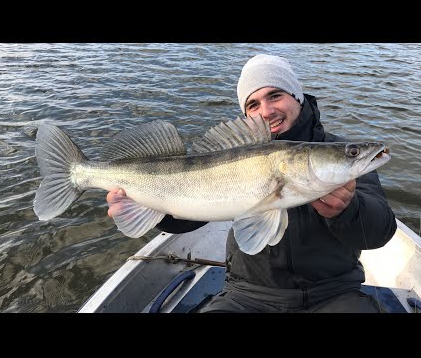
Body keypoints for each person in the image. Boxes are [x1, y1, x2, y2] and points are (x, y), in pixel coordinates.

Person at [107, 54, 397, 313]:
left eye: (275, 95)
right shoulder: (228, 156)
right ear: (246, 115)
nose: (267, 111)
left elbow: (380, 232)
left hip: (333, 293)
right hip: (246, 295)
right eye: (253, 104)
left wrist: (347, 211)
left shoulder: (342, 157)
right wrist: (143, 204)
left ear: (296, 97)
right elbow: (190, 214)